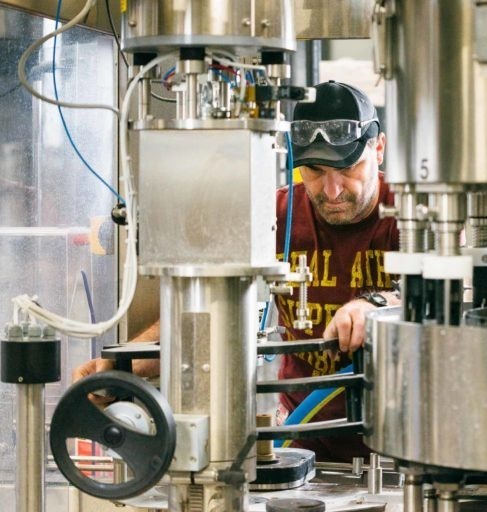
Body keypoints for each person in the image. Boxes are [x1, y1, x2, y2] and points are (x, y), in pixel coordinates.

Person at [74, 81, 400, 462]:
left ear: (378, 148)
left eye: (347, 168)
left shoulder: (411, 212)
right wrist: (120, 367)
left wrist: (375, 306)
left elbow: (442, 302)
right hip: (306, 436)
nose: (330, 190)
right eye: (313, 169)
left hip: (400, 438)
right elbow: (210, 312)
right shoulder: (277, 215)